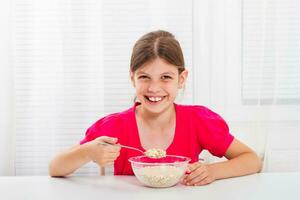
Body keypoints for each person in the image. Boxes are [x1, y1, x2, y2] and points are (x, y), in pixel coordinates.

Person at [49, 30, 262, 186]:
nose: (154, 88)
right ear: (132, 77)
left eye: (166, 77)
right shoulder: (116, 126)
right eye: (144, 77)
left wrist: (213, 171)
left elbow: (251, 160)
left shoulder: (197, 121)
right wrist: (88, 152)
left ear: (181, 78)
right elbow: (55, 167)